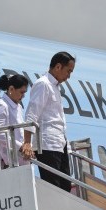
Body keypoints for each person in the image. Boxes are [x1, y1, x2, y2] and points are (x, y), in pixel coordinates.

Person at [21, 51, 75, 192]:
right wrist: (27, 142)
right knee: (54, 187)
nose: (69, 76)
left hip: (59, 143)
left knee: (65, 186)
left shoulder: (55, 87)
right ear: (58, 67)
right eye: (68, 71)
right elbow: (32, 114)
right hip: (48, 144)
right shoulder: (43, 84)